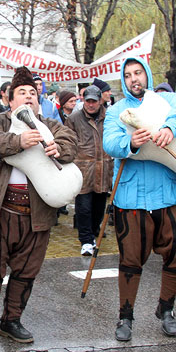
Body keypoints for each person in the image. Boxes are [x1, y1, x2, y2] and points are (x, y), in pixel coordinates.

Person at [0, 66, 77, 346]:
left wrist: (59, 149)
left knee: (26, 271)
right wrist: (17, 141)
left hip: (35, 214)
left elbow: (71, 143)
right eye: (21, 93)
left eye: (32, 93)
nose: (28, 97)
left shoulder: (50, 126)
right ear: (10, 100)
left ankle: (11, 321)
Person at [103, 57, 176, 341]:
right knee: (131, 260)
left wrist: (170, 128)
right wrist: (129, 143)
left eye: (139, 73)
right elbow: (109, 142)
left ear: (147, 75)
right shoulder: (117, 111)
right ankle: (126, 316)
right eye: (129, 75)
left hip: (169, 193)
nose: (134, 79)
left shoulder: (167, 101)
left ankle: (166, 309)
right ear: (123, 80)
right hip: (131, 199)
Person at [65, 85, 112, 256]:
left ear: (100, 101)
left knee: (99, 207)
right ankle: (85, 240)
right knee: (83, 208)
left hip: (104, 169)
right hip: (83, 170)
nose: (91, 105)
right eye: (88, 101)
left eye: (94, 101)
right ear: (83, 100)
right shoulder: (74, 118)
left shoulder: (110, 116)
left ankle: (93, 234)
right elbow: (67, 142)